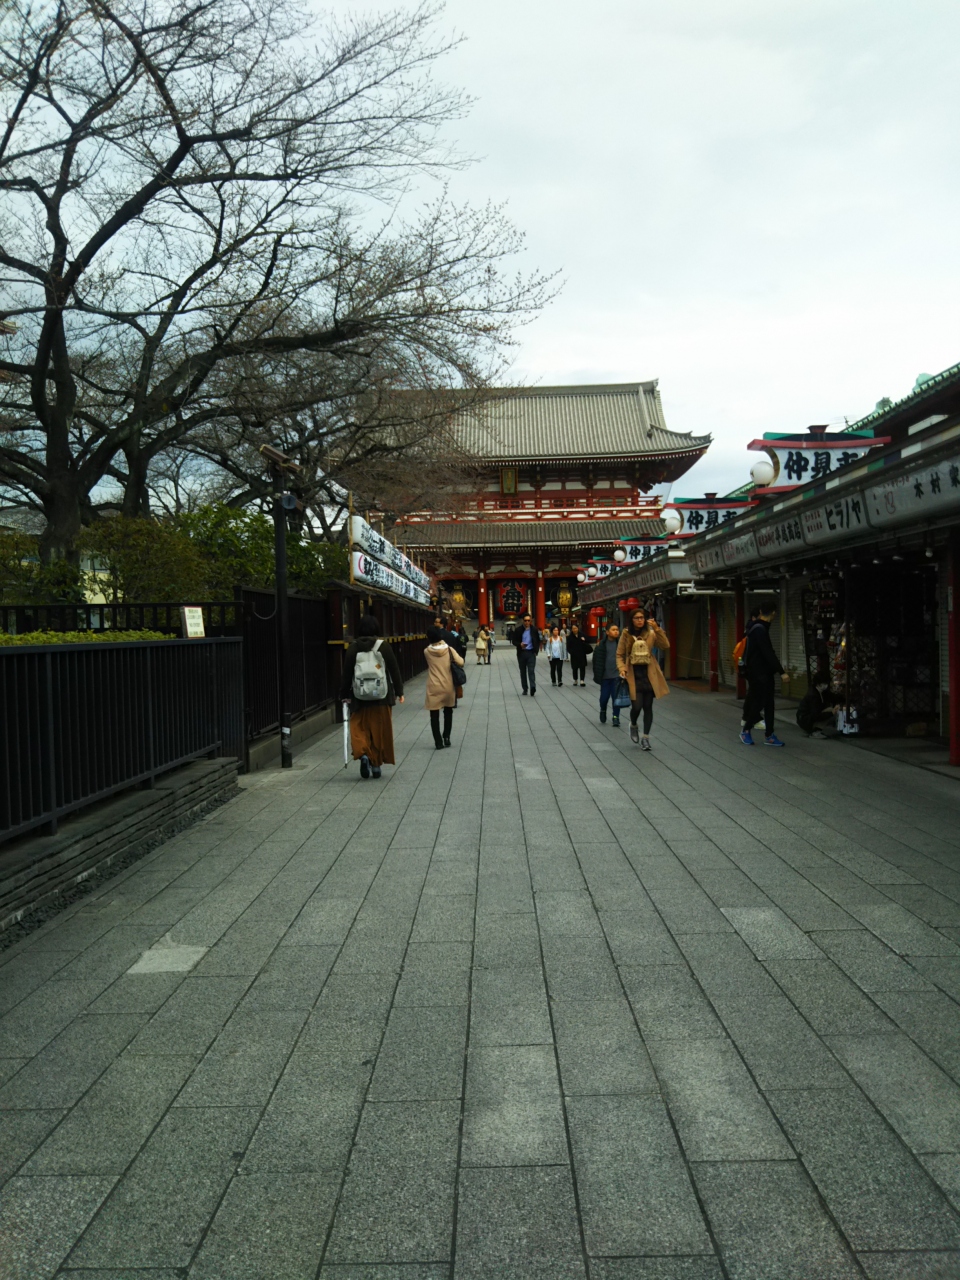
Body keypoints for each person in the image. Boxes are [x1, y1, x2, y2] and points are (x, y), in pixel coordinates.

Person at [340, 613, 404, 779]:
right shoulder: (383, 646)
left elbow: (346, 674)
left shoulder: (353, 648)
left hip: (359, 696)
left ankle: (364, 754)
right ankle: (376, 765)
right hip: (381, 697)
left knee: (359, 728)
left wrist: (344, 695)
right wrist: (399, 692)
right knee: (379, 730)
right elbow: (394, 669)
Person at [617, 606, 670, 749]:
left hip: (649, 673)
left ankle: (646, 738)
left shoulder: (651, 633)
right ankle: (633, 724)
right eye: (636, 618)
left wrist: (657, 629)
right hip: (633, 673)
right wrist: (622, 669)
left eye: (642, 618)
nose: (640, 620)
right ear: (632, 620)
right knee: (636, 706)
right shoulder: (626, 633)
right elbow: (619, 654)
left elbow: (665, 645)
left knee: (648, 706)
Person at [740, 602, 789, 746]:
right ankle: (746, 730)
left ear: (761, 611)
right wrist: (782, 672)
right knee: (760, 702)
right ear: (774, 613)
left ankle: (769, 734)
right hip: (758, 673)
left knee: (768, 704)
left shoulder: (757, 628)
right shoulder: (760, 629)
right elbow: (768, 652)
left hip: (762, 672)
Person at [424, 624, 464, 748]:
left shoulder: (427, 651)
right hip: (448, 685)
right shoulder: (449, 650)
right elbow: (461, 662)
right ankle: (446, 737)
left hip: (433, 686)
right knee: (448, 711)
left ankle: (438, 741)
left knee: (434, 715)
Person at [592, 622, 622, 726]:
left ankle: (616, 717)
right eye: (613, 630)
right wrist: (597, 673)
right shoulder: (601, 645)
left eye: (617, 630)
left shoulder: (620, 644)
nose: (616, 632)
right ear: (607, 632)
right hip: (605, 677)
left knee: (616, 698)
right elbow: (596, 660)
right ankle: (603, 710)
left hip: (617, 676)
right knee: (604, 698)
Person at [510, 612, 540, 696]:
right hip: (522, 653)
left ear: (531, 621)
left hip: (531, 653)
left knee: (531, 671)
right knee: (523, 672)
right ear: (522, 621)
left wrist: (536, 651)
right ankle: (525, 688)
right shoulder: (518, 630)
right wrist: (520, 644)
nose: (527, 622)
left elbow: (537, 640)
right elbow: (514, 641)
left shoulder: (534, 630)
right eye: (525, 620)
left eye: (528, 620)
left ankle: (532, 687)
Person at [567, 622, 592, 687]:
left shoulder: (582, 635)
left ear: (578, 628)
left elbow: (589, 640)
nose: (574, 630)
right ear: (571, 629)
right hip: (574, 655)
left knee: (582, 667)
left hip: (582, 654)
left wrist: (584, 639)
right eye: (573, 628)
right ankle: (575, 680)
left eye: (575, 628)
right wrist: (571, 652)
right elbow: (568, 647)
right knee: (574, 668)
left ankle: (582, 680)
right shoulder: (570, 637)